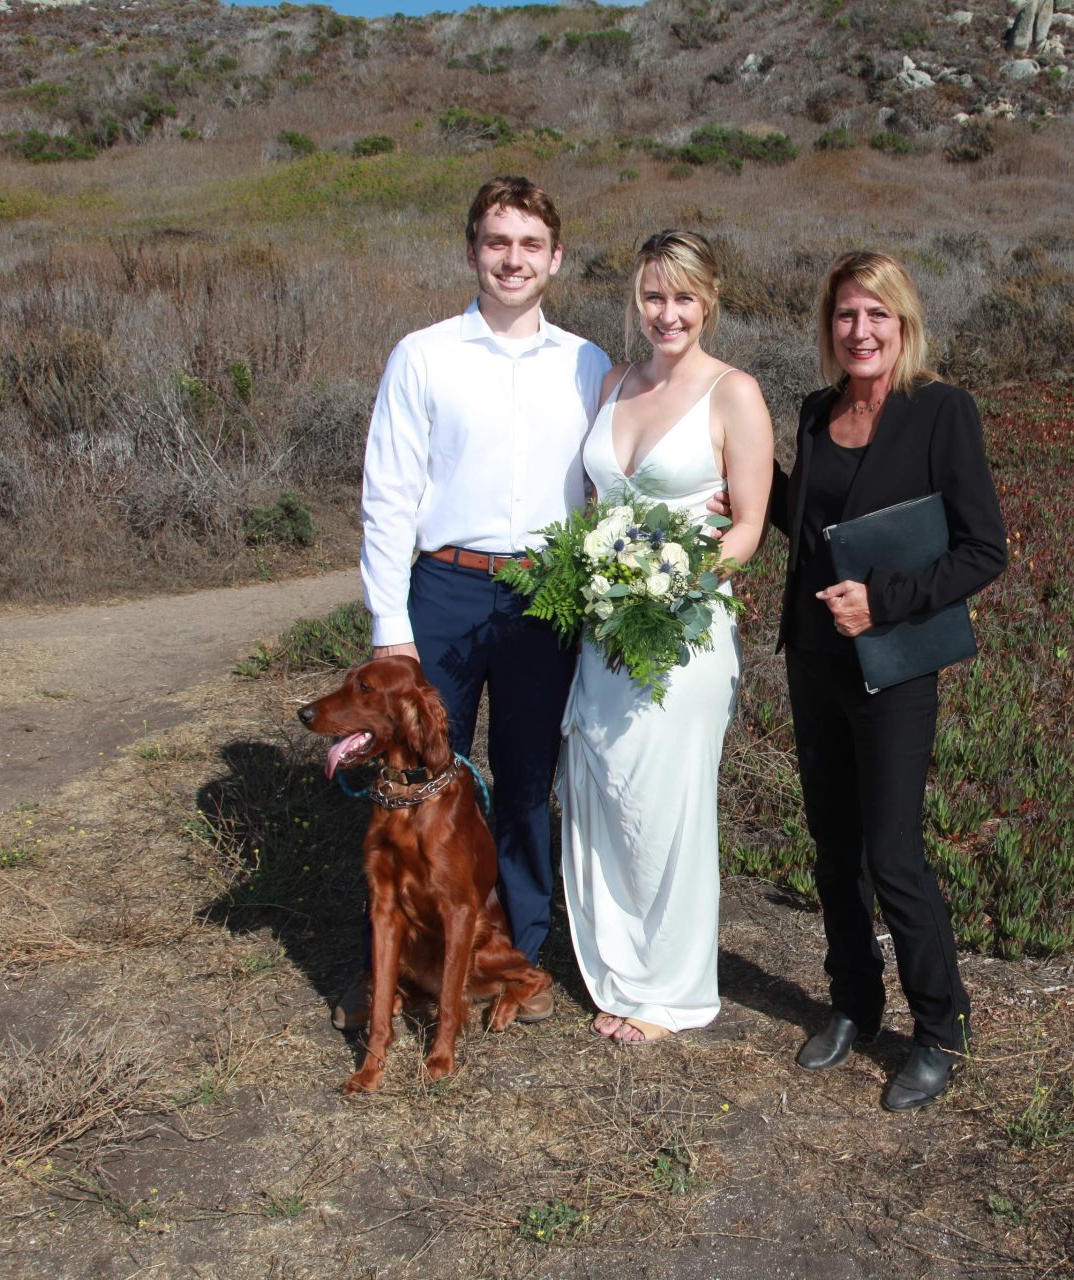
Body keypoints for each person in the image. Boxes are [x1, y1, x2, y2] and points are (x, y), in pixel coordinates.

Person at [348, 175, 611, 1029]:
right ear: (471, 252)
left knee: (529, 779)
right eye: (497, 242)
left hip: (545, 596)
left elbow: (612, 483)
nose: (513, 259)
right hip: (447, 590)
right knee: (420, 778)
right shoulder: (423, 354)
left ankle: (517, 954)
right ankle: (405, 964)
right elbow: (388, 495)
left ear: (556, 258)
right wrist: (393, 629)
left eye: (530, 244)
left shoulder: (587, 363)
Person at [769, 251, 1006, 1110]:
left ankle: (940, 1024)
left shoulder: (939, 412)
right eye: (845, 316)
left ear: (903, 325)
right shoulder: (812, 412)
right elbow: (808, 526)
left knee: (893, 855)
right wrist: (744, 487)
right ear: (828, 329)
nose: (860, 331)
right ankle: (855, 1004)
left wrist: (886, 603)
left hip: (894, 666)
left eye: (878, 315)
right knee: (834, 852)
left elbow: (985, 549)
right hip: (816, 660)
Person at [560, 230, 774, 1044]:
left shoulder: (734, 394)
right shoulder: (613, 382)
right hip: (605, 626)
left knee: (667, 804)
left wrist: (675, 584)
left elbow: (748, 526)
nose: (667, 313)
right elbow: (590, 506)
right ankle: (619, 971)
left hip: (680, 631)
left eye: (683, 297)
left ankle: (673, 993)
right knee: (604, 793)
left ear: (709, 301)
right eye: (654, 296)